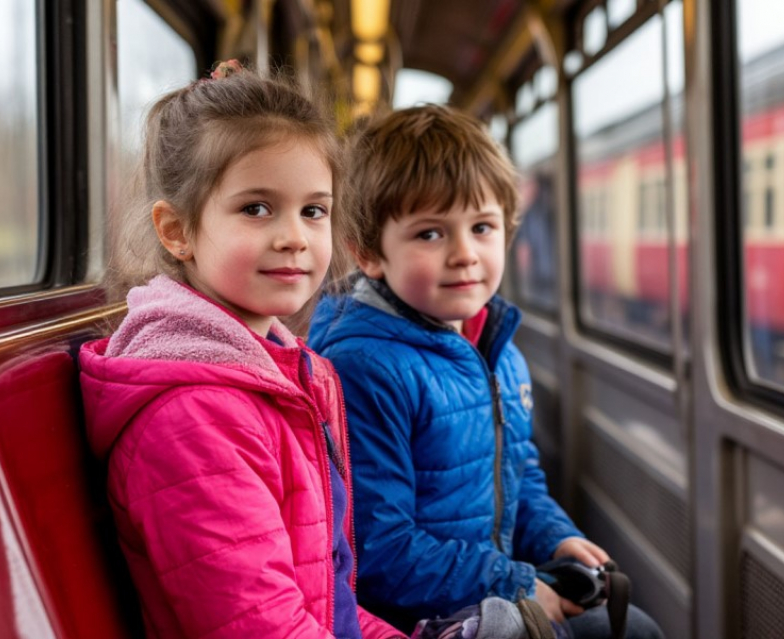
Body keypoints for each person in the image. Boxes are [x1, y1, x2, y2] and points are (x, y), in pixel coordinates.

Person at [308, 105, 664, 639]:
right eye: (430, 234)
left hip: (480, 593)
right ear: (369, 252)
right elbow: (379, 552)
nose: (465, 254)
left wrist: (555, 540)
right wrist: (517, 584)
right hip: (419, 618)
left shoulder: (492, 349)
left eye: (481, 227)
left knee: (631, 627)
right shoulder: (364, 369)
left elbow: (518, 478)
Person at [78, 61, 404, 639]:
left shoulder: (279, 368)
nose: (294, 236)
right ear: (177, 231)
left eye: (314, 210)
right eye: (256, 208)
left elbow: (330, 603)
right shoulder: (192, 415)